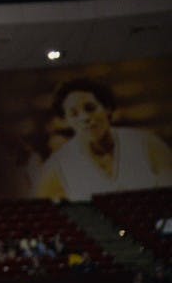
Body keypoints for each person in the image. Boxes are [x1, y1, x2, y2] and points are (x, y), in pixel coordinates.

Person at [35, 78, 172, 201]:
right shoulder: (57, 166)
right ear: (66, 121)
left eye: (90, 108)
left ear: (107, 108)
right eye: (74, 114)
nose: (85, 118)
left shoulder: (146, 144)